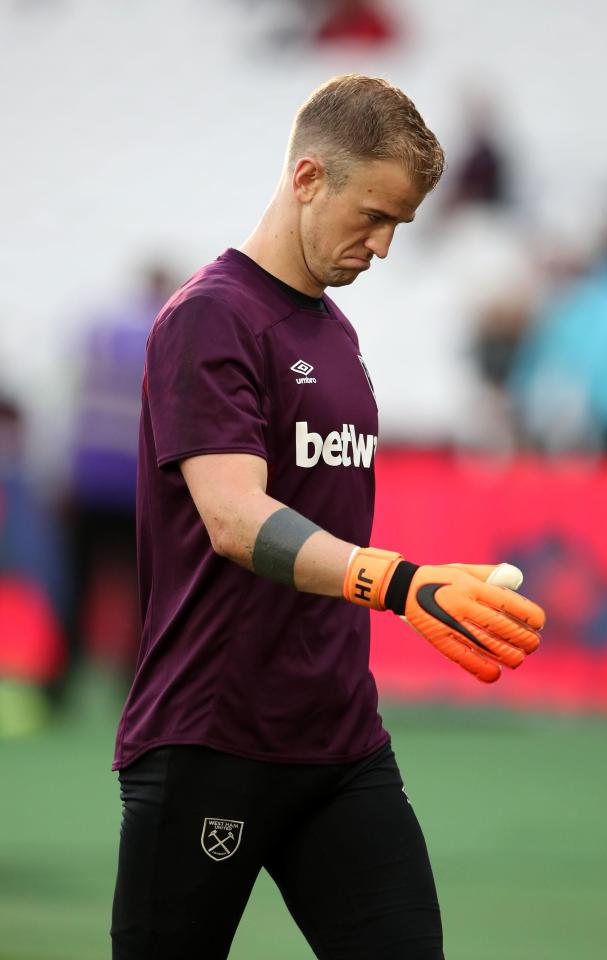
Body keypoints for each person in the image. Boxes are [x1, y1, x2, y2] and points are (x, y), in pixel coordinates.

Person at [110, 74, 545, 960]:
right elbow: (235, 518)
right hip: (212, 738)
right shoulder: (209, 319)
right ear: (309, 178)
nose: (382, 246)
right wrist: (401, 582)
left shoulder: (334, 333)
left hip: (341, 743)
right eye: (373, 216)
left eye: (400, 226)